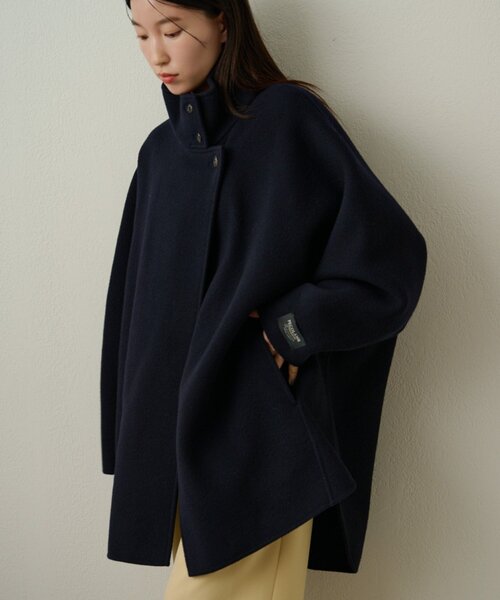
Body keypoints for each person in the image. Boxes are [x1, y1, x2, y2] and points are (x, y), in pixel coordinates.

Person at [100, 1, 427, 599]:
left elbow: (391, 263)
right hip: (178, 442)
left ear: (223, 21)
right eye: (141, 34)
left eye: (172, 30)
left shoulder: (287, 120)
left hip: (258, 435)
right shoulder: (159, 153)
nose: (156, 54)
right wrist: (130, 438)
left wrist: (288, 330)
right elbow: (130, 304)